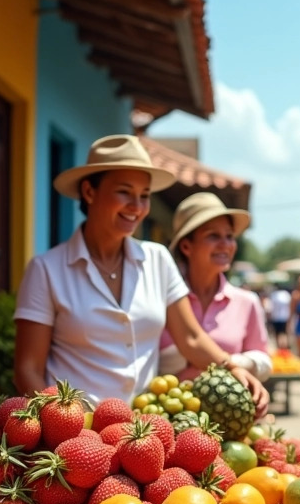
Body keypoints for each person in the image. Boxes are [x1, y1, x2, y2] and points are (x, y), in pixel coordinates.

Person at [14, 135, 267, 414]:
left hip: (143, 434)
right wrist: (61, 424)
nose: (137, 206)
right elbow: (28, 370)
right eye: (124, 192)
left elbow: (191, 338)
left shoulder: (157, 260)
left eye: (144, 195)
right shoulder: (46, 270)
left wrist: (231, 366)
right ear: (89, 192)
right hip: (74, 436)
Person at [158, 193, 273, 383]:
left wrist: (234, 363)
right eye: (213, 236)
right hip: (165, 410)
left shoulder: (247, 302)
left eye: (229, 236)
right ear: (186, 246)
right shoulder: (162, 299)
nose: (226, 244)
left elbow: (264, 363)